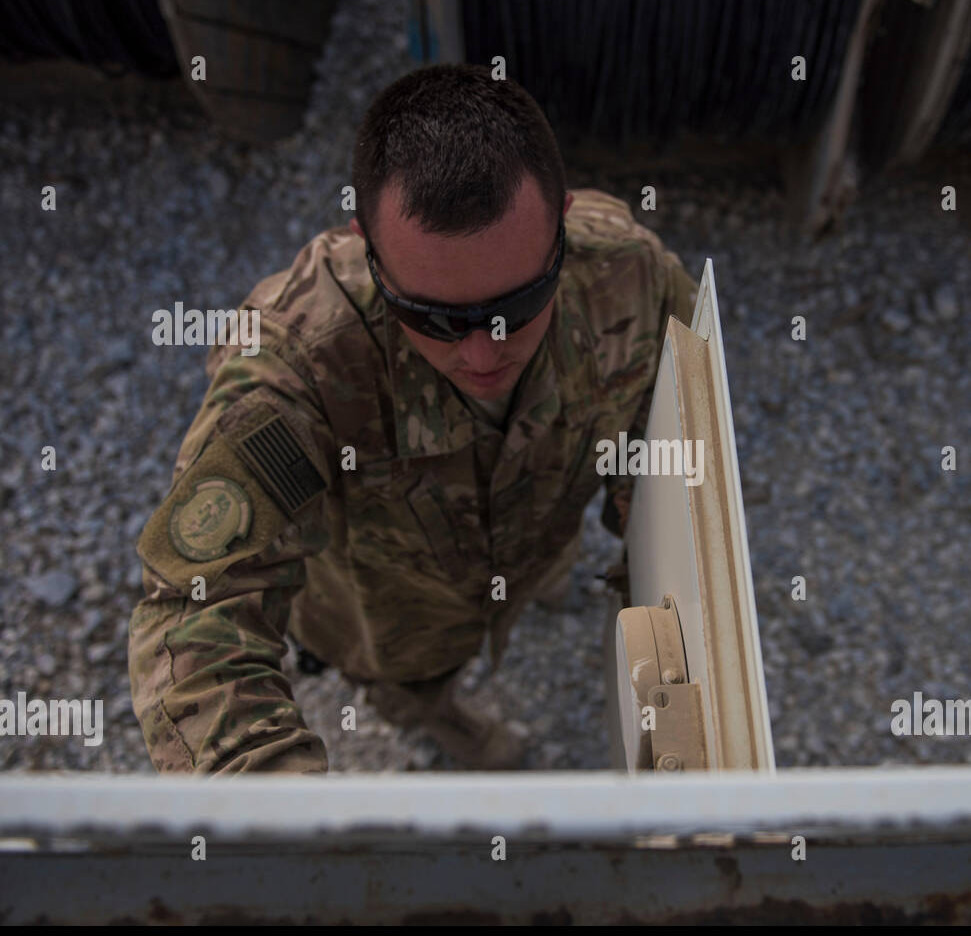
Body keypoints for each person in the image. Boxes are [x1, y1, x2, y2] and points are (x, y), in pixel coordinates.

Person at [127, 64, 698, 773]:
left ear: (564, 224)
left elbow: (665, 416)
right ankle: (444, 721)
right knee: (413, 687)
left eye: (515, 307)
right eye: (435, 317)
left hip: (542, 539)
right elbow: (193, 608)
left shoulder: (629, 273)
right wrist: (275, 828)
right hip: (395, 631)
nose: (484, 352)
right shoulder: (300, 360)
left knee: (549, 577)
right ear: (366, 242)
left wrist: (646, 541)